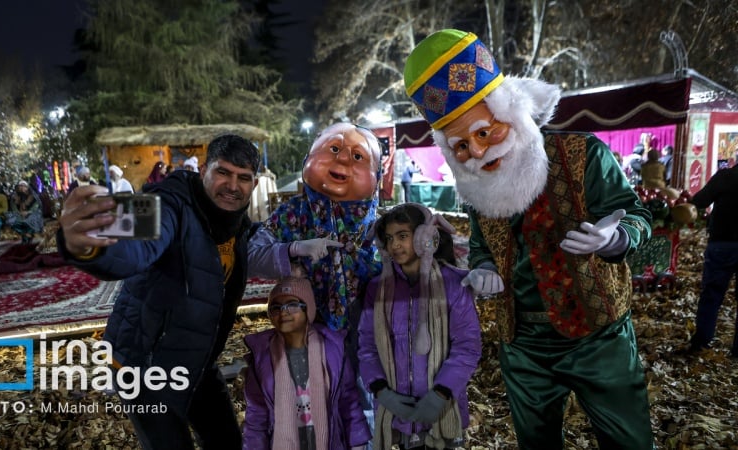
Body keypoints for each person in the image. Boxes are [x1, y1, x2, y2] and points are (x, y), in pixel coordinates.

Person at [404, 29, 654, 449]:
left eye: (484, 133)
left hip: (598, 338)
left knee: (630, 443)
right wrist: (483, 270)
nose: (477, 153)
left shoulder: (585, 154)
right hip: (523, 346)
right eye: (461, 146)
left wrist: (615, 238)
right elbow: (482, 247)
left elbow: (638, 218)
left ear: (513, 115)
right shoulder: (476, 187)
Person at [57, 134, 261, 449]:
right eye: (223, 172)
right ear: (203, 170)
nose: (232, 185)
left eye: (243, 178)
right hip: (144, 366)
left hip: (196, 360)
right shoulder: (169, 201)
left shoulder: (239, 225)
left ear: (254, 184)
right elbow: (134, 244)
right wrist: (89, 244)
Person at [357, 203, 481, 450]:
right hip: (399, 412)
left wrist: (441, 394)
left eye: (402, 236)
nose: (394, 245)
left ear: (425, 236)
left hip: (442, 409)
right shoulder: (377, 289)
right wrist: (382, 392)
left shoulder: (453, 284)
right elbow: (367, 346)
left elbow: (467, 347)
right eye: (389, 238)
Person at [248, 122, 383, 330]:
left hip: (372, 332)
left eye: (358, 156)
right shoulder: (292, 213)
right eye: (334, 148)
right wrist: (293, 249)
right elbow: (250, 257)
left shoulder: (383, 226)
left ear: (377, 175)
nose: (343, 158)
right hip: (308, 332)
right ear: (308, 158)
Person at [242, 277, 372, 450]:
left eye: (292, 305)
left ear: (308, 309)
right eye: (276, 307)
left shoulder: (333, 351)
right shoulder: (262, 358)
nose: (283, 312)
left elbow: (348, 401)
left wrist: (357, 442)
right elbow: (257, 413)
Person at [688, 163, 738, 357]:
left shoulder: (725, 176)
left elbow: (700, 200)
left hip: (721, 244)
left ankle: (701, 343)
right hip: (722, 244)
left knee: (711, 295)